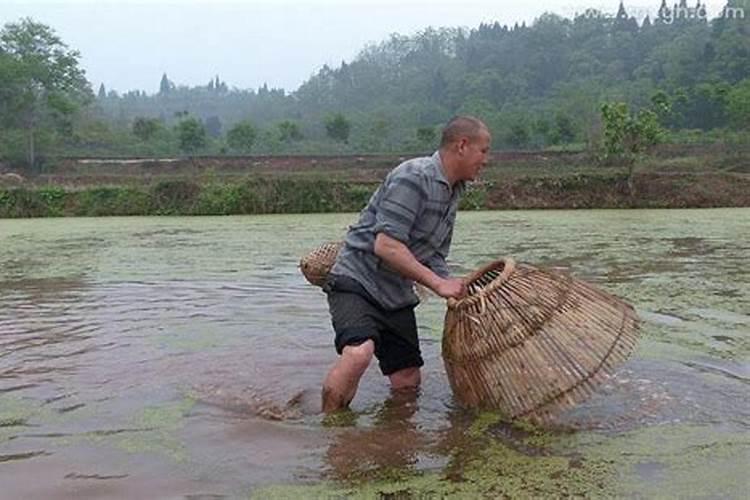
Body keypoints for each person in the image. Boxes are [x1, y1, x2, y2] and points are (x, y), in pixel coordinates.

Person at [321, 116, 491, 413]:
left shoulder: (454, 190)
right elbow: (386, 246)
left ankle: (395, 438)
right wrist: (438, 285)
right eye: (484, 151)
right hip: (358, 280)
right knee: (359, 353)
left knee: (407, 380)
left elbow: (434, 255)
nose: (485, 160)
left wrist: (454, 287)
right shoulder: (414, 176)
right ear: (462, 146)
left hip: (395, 291)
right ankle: (331, 431)